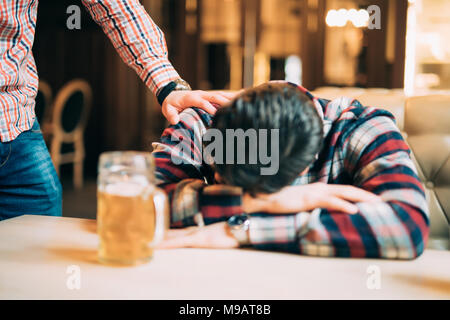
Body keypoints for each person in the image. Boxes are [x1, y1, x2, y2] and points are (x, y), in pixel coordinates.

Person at [0, 0, 234, 220]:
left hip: (16, 121)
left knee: (39, 233)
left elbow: (116, 7)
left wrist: (169, 86)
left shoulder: (197, 120)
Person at [153, 82, 429, 259]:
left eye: (264, 192)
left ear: (306, 164)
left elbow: (407, 225)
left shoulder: (362, 128)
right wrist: (275, 201)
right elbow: (141, 203)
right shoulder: (203, 118)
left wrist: (240, 229)